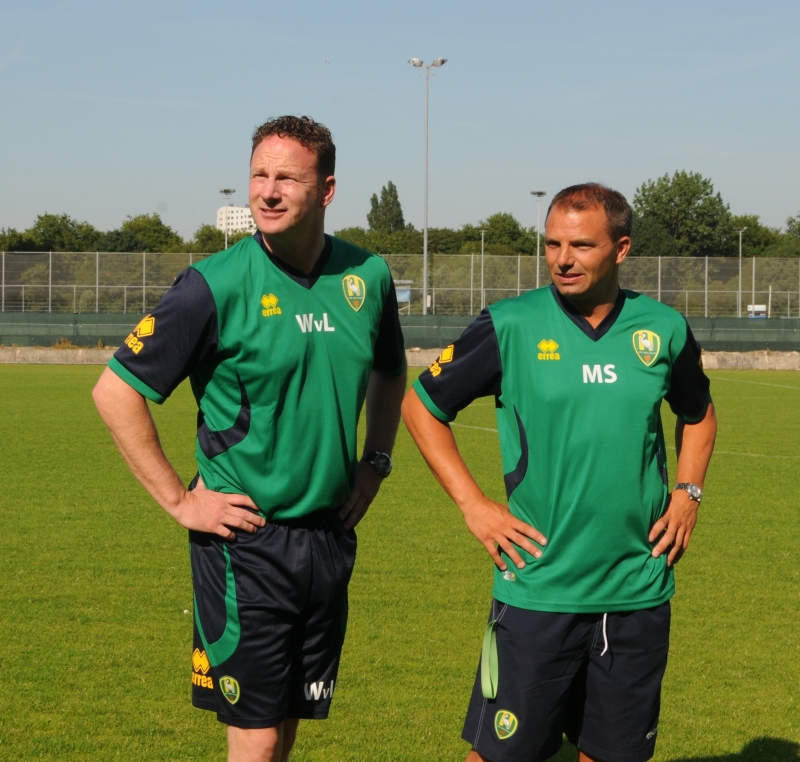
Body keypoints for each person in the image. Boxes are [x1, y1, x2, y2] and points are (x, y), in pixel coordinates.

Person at [93, 115, 407, 762]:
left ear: (326, 190)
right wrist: (183, 504)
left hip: (326, 537)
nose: (267, 191)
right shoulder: (214, 285)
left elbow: (391, 367)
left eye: (286, 178)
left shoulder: (367, 277)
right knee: (257, 737)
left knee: (287, 722)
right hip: (245, 540)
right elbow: (115, 391)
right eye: (258, 176)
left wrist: (375, 460)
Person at [402, 183, 716, 762]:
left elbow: (698, 414)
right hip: (539, 588)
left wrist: (687, 493)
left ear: (620, 250)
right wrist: (474, 505)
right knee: (501, 755)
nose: (562, 259)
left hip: (636, 591)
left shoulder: (663, 328)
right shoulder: (511, 324)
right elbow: (421, 406)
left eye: (581, 245)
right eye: (551, 244)